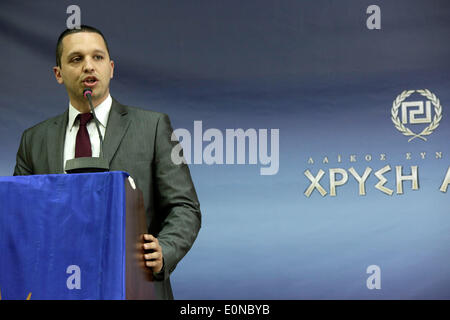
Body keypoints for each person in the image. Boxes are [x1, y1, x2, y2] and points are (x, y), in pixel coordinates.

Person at [13, 25, 201, 300]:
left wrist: (165, 248)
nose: (89, 66)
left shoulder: (152, 127)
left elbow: (185, 206)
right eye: (76, 59)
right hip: (56, 287)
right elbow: (20, 216)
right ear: (58, 74)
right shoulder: (34, 139)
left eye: (98, 58)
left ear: (111, 68)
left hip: (135, 286)